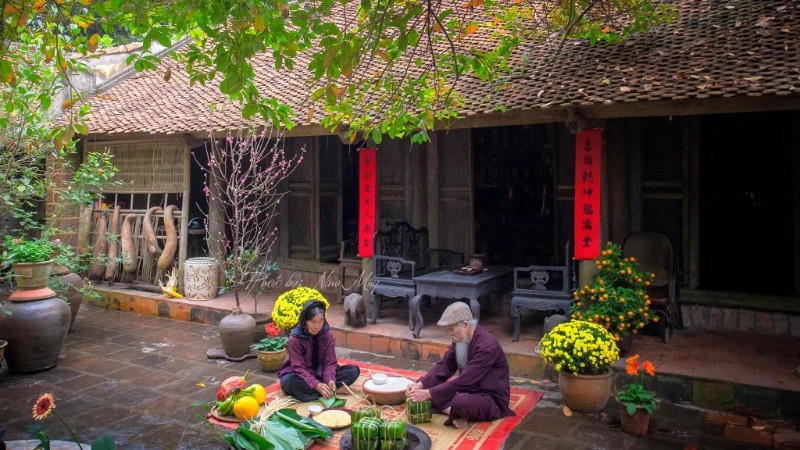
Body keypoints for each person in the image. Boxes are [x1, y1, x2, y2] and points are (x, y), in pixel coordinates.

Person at [406, 302, 514, 429]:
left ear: (465, 325)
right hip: (467, 390)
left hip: (490, 398)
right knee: (434, 389)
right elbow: (445, 365)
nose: (449, 333)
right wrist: (421, 384)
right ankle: (456, 412)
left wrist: (428, 393)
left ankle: (455, 410)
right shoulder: (461, 339)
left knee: (459, 401)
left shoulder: (487, 347)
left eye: (451, 329)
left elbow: (465, 381)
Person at [278, 300, 360, 401]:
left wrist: (330, 380)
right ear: (305, 321)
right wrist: (316, 385)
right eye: (313, 322)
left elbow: (330, 363)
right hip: (303, 376)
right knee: (288, 382)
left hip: (322, 374)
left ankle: (325, 390)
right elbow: (298, 368)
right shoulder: (295, 339)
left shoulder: (327, 334)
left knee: (353, 371)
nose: (317, 326)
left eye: (320, 321)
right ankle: (328, 391)